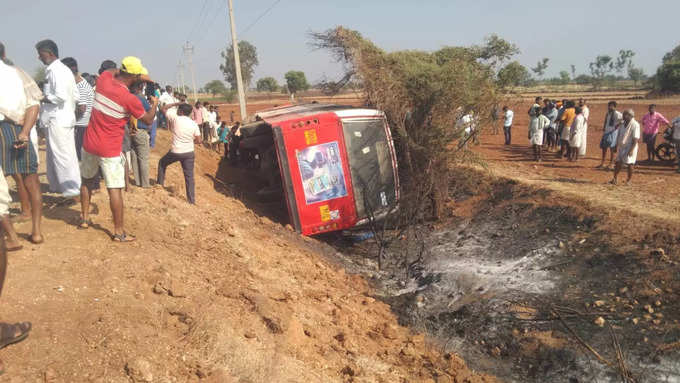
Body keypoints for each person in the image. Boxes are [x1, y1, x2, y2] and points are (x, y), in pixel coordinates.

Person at [79, 56, 158, 242]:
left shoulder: (103, 80)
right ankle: (119, 232)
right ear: (134, 77)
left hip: (89, 143)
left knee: (86, 181)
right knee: (114, 189)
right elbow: (147, 120)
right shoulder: (129, 99)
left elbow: (112, 70)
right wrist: (154, 104)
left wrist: (134, 74)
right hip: (110, 148)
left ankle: (84, 218)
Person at [0, 42, 44, 245]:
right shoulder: (19, 73)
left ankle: (12, 237)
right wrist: (25, 132)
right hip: (19, 129)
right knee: (32, 182)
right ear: (5, 53)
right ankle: (36, 232)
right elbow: (34, 104)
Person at [35, 39, 81, 198]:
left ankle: (69, 189)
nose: (39, 58)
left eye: (41, 55)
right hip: (62, 118)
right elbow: (75, 95)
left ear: (50, 54)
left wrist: (41, 97)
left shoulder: (56, 70)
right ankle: (57, 185)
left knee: (62, 155)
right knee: (60, 153)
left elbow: (60, 97)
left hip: (58, 119)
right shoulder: (65, 70)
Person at [157, 102, 201, 204]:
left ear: (180, 111)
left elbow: (163, 108)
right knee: (189, 177)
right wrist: (190, 140)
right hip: (189, 152)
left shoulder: (175, 118)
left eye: (178, 109)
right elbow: (199, 141)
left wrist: (176, 103)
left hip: (176, 151)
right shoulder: (194, 123)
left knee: (162, 163)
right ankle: (191, 201)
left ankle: (159, 185)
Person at [130, 82, 153, 188]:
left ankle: (138, 181)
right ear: (140, 87)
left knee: (134, 155)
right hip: (140, 130)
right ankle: (145, 184)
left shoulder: (128, 97)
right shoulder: (141, 99)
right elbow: (150, 114)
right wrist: (155, 103)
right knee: (143, 158)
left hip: (130, 130)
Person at [611, 109, 640, 185]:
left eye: (625, 114)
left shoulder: (635, 125)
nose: (623, 116)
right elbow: (618, 135)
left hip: (631, 146)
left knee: (630, 163)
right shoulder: (622, 124)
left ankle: (629, 180)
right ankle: (614, 178)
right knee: (618, 162)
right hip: (622, 146)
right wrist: (616, 146)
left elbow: (635, 139)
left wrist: (631, 150)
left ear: (630, 116)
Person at [598, 101, 622, 169]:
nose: (609, 107)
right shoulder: (608, 113)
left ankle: (611, 164)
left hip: (613, 132)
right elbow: (606, 122)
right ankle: (602, 163)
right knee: (604, 148)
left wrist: (616, 127)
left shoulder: (618, 114)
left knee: (612, 148)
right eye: (609, 106)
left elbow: (622, 120)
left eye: (611, 106)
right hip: (606, 132)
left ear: (614, 107)